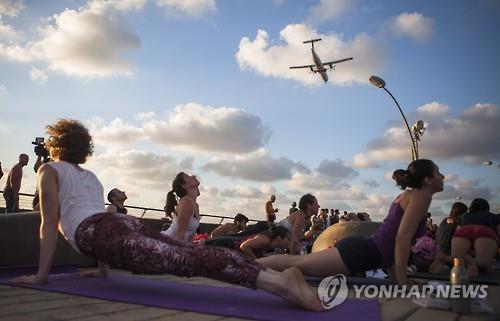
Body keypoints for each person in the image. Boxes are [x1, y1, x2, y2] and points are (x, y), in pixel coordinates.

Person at [12, 119, 322, 312]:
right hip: (117, 224)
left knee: (185, 260)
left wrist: (42, 275)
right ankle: (277, 277)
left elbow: (49, 223)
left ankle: (278, 284)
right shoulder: (90, 176)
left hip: (99, 232)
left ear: (56, 144)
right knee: (186, 252)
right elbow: (98, 217)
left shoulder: (48, 169)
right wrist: (103, 269)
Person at [258, 159, 445, 286]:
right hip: (359, 253)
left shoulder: (409, 195)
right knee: (297, 263)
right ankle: (243, 264)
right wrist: (404, 282)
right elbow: (402, 238)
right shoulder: (422, 195)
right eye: (439, 173)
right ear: (428, 180)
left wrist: (399, 280)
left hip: (362, 250)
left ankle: (245, 264)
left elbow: (391, 242)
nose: (443, 177)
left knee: (298, 262)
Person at [451, 198, 500, 277]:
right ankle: (473, 262)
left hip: (464, 230)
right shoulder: (493, 216)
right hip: (484, 231)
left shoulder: (464, 216)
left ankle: (444, 258)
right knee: (483, 263)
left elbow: (457, 232)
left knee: (456, 260)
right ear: (487, 208)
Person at [161, 173, 202, 242]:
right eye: (188, 177)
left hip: (178, 243)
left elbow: (191, 235)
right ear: (184, 186)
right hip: (167, 241)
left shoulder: (195, 205)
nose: (194, 176)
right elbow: (179, 236)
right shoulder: (186, 203)